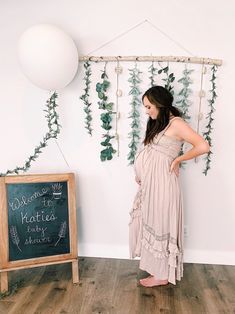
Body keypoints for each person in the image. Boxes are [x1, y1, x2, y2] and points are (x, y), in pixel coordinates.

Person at [129, 85, 210, 287]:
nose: (147, 111)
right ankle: (157, 270)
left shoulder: (177, 123)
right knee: (153, 220)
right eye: (145, 107)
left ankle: (163, 275)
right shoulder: (160, 123)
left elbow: (203, 146)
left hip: (164, 183)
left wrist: (178, 160)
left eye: (149, 107)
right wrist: (142, 173)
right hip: (152, 183)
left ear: (159, 104)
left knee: (161, 223)